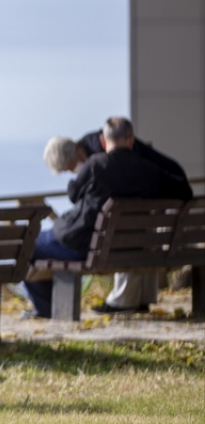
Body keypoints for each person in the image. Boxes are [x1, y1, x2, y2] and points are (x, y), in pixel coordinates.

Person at [26, 117, 193, 317]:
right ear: (131, 140)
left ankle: (46, 309)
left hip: (88, 244)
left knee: (29, 245)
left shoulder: (97, 164)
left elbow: (73, 194)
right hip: (123, 243)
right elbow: (183, 190)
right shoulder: (147, 169)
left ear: (104, 142)